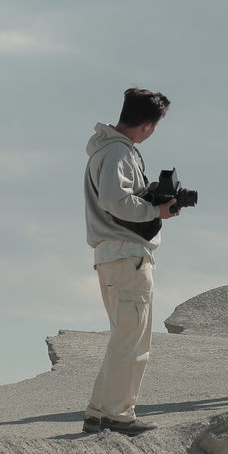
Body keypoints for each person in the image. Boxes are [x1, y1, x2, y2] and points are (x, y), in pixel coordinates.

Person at [81, 87, 179, 436]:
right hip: (127, 255)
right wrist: (155, 211)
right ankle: (119, 415)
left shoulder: (105, 150)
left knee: (124, 336)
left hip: (112, 255)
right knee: (133, 340)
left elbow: (113, 198)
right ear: (149, 125)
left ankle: (98, 412)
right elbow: (115, 199)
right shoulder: (119, 152)